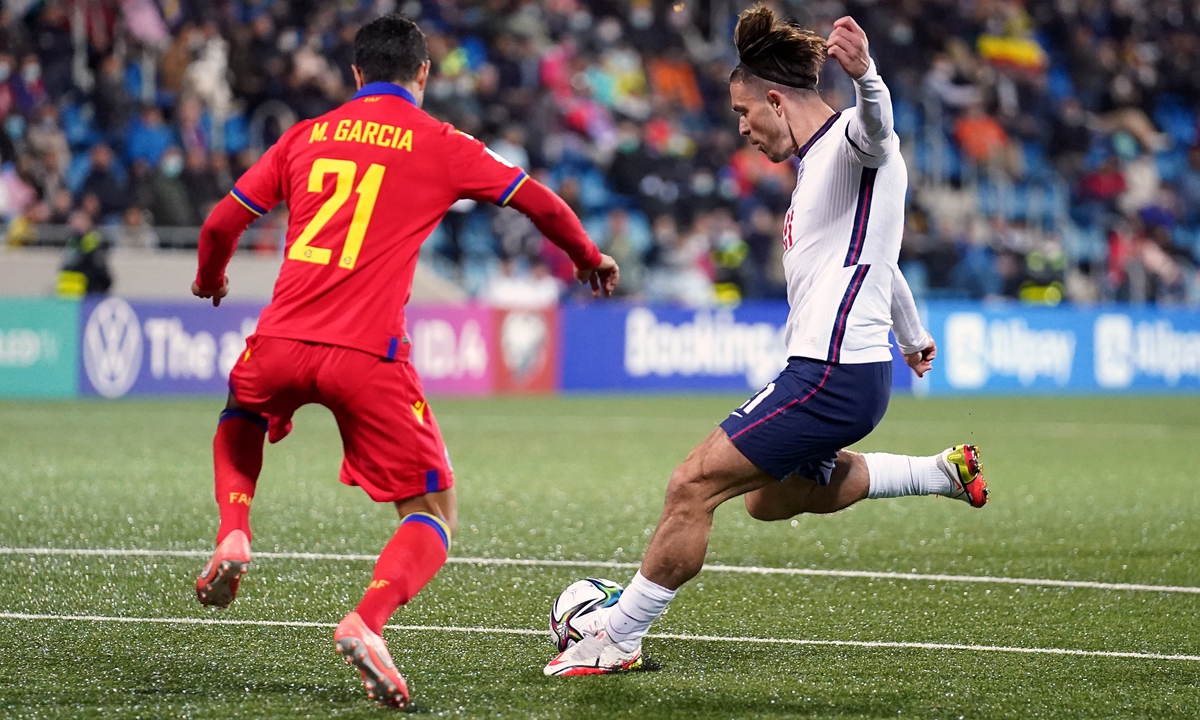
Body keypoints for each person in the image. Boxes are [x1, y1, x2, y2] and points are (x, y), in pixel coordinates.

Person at [189, 14, 619, 709]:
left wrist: (211, 278)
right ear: (424, 75)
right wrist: (587, 258)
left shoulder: (306, 136)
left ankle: (234, 530)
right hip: (367, 354)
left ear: (355, 75)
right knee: (434, 507)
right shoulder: (440, 142)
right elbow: (537, 200)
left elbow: (219, 224)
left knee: (241, 408)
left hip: (280, 341)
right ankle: (368, 621)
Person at [544, 9, 988, 677]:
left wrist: (866, 74)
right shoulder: (821, 171)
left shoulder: (850, 143)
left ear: (776, 99)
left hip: (828, 373)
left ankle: (617, 636)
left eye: (745, 112)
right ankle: (939, 472)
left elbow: (881, 127)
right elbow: (880, 261)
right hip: (846, 376)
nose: (742, 128)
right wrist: (914, 334)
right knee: (769, 498)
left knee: (691, 485)